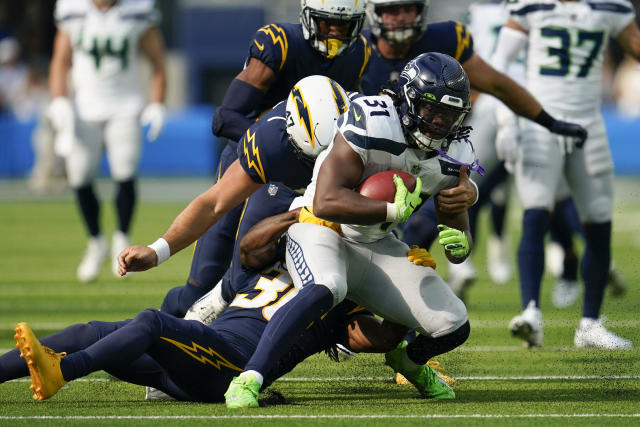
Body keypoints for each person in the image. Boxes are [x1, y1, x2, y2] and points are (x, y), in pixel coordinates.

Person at [223, 52, 478, 409]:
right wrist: (390, 209)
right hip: (320, 227)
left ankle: (409, 363)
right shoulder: (373, 120)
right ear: (407, 100)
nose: (438, 124)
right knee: (327, 285)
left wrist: (458, 244)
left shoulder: (455, 152)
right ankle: (250, 378)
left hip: (375, 243)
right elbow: (326, 201)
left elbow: (458, 234)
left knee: (454, 322)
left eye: (449, 115)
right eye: (431, 111)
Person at [1, 209, 408, 402]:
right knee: (91, 330)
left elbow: (377, 336)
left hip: (230, 368)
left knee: (151, 321)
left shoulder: (340, 293)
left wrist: (401, 292)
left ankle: (63, 372)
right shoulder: (286, 254)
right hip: (198, 356)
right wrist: (303, 214)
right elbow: (248, 246)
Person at [359, 0, 589, 297]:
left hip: (425, 154)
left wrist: (549, 121)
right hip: (369, 158)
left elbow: (497, 85)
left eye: (408, 9)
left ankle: (408, 294)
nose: (401, 18)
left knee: (437, 210)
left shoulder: (444, 39)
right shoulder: (356, 50)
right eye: (392, 10)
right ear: (374, 13)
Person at [161, 0, 370, 317]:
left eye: (344, 25)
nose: (335, 32)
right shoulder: (280, 43)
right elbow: (225, 118)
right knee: (203, 284)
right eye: (327, 22)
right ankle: (157, 332)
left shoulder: (360, 53)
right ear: (308, 17)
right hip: (256, 163)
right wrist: (285, 142)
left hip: (313, 178)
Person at [493, 0, 640, 349]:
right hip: (539, 121)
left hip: (589, 124)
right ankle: (531, 312)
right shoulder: (532, 7)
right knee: (536, 214)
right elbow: (500, 65)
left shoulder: (611, 7)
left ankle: (589, 323)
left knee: (599, 222)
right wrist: (506, 122)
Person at [47, 0, 167, 282]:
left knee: (124, 171)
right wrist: (60, 100)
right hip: (84, 108)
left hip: (125, 106)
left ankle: (121, 238)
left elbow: (158, 63)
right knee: (80, 176)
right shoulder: (72, 9)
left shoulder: (137, 9)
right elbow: (60, 60)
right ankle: (95, 241)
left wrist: (157, 103)